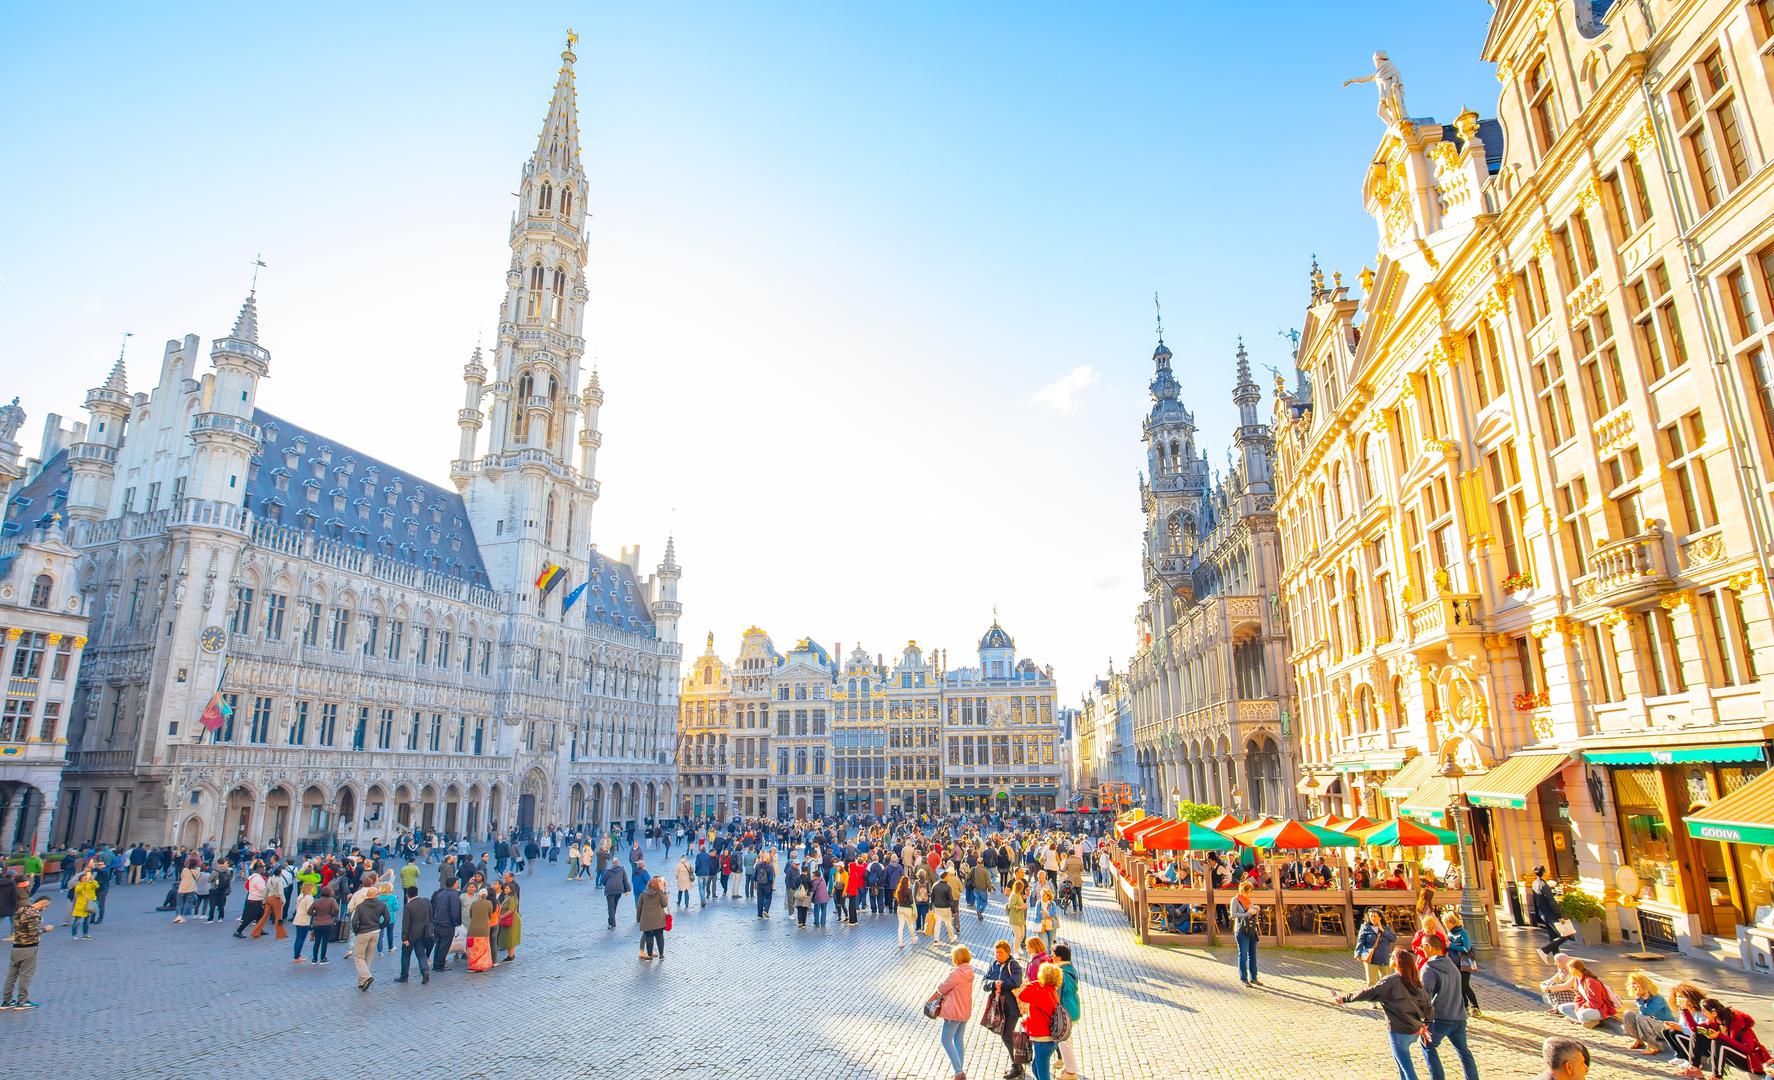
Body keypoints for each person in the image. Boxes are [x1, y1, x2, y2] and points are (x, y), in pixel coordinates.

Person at [1332, 950, 1433, 1080]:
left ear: (1397, 962)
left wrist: (1345, 998)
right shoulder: (1416, 981)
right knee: (1401, 1064)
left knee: (1407, 1068)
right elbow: (1428, 1007)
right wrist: (1425, 1025)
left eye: (1392, 956)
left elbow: (1369, 992)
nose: (1389, 957)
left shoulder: (1391, 981)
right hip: (1414, 1030)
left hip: (1399, 1032)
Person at [1418, 934, 1477, 1080]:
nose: (1421, 949)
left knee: (1427, 1045)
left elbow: (1425, 997)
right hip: (1459, 1016)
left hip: (1440, 1018)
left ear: (1429, 947)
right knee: (1464, 1052)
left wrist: (1423, 1021)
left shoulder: (1428, 969)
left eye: (1422, 946)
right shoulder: (1451, 963)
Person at [1692, 996, 1770, 1080]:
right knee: (1697, 1034)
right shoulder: (1716, 1021)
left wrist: (1720, 1036)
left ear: (1714, 1013)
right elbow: (1694, 1028)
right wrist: (1684, 1010)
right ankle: (1694, 1068)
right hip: (1734, 1055)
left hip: (1750, 1060)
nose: (1703, 1014)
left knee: (1718, 1042)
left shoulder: (1737, 1022)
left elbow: (1748, 1049)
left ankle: (1717, 1077)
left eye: (1704, 1011)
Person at [1, 884, 49, 1010]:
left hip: (16, 947)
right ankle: (22, 1001)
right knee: (25, 975)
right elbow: (33, 932)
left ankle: (6, 1001)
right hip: (28, 948)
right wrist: (45, 929)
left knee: (11, 975)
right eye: (47, 906)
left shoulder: (20, 911)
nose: (46, 908)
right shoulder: (34, 914)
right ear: (43, 903)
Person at [982, 939, 1025, 1079]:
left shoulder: (1013, 965)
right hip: (997, 1007)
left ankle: (1017, 1067)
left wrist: (1002, 984)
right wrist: (993, 984)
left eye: (1000, 952)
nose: (997, 955)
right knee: (1004, 1035)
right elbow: (984, 981)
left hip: (1011, 1008)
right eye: (996, 952)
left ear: (1008, 953)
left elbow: (1016, 981)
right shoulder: (993, 964)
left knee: (1007, 1035)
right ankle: (1018, 1063)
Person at [1016, 961, 1065, 1080]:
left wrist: (1034, 982)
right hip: (1049, 1039)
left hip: (1043, 1040)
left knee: (1043, 1076)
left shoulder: (1040, 991)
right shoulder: (1052, 991)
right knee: (1035, 1068)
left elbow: (1022, 995)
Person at [933, 945, 974, 1080]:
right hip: (964, 1011)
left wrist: (931, 998)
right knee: (958, 1039)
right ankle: (959, 1070)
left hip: (954, 1012)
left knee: (945, 1040)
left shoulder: (957, 973)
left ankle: (958, 1072)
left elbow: (943, 987)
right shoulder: (970, 971)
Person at [349, 873, 391, 991]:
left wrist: (357, 931)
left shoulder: (361, 906)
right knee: (368, 957)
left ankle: (367, 976)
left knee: (358, 957)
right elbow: (387, 918)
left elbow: (354, 921)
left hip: (363, 932)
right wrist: (381, 926)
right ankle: (362, 981)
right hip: (375, 931)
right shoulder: (382, 905)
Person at [1620, 971, 1675, 1054]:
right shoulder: (1642, 998)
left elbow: (1646, 1014)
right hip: (1651, 1025)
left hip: (1665, 1027)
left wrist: (1638, 999)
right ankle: (1639, 1040)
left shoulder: (1657, 998)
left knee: (1642, 1017)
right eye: (1632, 984)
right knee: (1628, 1013)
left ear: (1643, 985)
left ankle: (1653, 1046)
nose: (1633, 986)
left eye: (1635, 983)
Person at [1051, 942, 1083, 1080]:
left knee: (1064, 1042)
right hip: (1073, 1008)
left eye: (1053, 954)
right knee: (1066, 1040)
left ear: (1058, 958)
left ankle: (1071, 1072)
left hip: (1065, 1011)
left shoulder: (1060, 972)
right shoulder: (1071, 968)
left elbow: (1055, 996)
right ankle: (1068, 1067)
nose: (1051, 956)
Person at [1557, 959, 1618, 1028]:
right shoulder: (1577, 979)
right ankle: (1584, 1021)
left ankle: (1590, 1021)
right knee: (1562, 1008)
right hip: (1587, 1005)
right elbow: (1578, 996)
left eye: (1569, 968)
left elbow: (1597, 1003)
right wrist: (1578, 1007)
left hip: (1600, 1008)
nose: (1568, 970)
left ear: (1574, 969)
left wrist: (1582, 1007)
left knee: (1582, 1014)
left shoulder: (1590, 982)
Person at [1444, 911, 1480, 1017]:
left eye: (1447, 923)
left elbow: (1466, 948)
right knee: (1458, 986)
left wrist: (1451, 946)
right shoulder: (1449, 933)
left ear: (1453, 922)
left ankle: (1475, 1006)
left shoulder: (1463, 932)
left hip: (1464, 963)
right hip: (1453, 963)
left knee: (1465, 985)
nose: (1446, 926)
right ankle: (1464, 1006)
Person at [1530, 866, 1570, 959]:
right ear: (1544, 873)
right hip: (1550, 913)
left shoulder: (1534, 883)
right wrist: (1560, 915)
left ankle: (1557, 958)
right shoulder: (1543, 885)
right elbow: (1551, 901)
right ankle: (1545, 950)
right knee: (1565, 934)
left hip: (1542, 913)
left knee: (1553, 936)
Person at [396, 885, 432, 984]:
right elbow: (430, 916)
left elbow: (405, 924)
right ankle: (425, 971)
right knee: (421, 955)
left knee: (406, 956)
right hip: (423, 933)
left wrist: (404, 938)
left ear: (407, 895)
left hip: (411, 935)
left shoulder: (408, 906)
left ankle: (404, 976)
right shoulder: (426, 901)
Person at [1230, 880, 1261, 987]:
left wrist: (1256, 910)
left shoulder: (1249, 900)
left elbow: (1252, 915)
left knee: (1253, 954)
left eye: (1249, 892)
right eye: (1247, 892)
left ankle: (1254, 977)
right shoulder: (1235, 900)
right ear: (1242, 891)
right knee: (1242, 954)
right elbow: (1233, 914)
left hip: (1251, 929)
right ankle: (1244, 978)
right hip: (1241, 930)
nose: (1248, 894)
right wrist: (1247, 913)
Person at [1356, 907, 1398, 986]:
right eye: (1371, 916)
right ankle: (1372, 997)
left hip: (1384, 958)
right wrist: (1357, 953)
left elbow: (1393, 938)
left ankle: (1384, 997)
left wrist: (1382, 930)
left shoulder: (1386, 928)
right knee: (1371, 983)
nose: (1372, 918)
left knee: (1386, 982)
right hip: (1371, 959)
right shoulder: (1365, 927)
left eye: (1374, 916)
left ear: (1380, 917)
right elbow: (1360, 941)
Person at [429, 878, 462, 973]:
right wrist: (454, 922)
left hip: (437, 922)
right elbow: (454, 911)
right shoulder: (454, 895)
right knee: (444, 945)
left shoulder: (441, 893)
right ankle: (440, 965)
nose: (458, 884)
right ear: (453, 884)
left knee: (438, 944)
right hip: (447, 924)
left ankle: (436, 964)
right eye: (457, 883)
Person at [638, 875, 669, 960]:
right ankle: (661, 955)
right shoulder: (659, 893)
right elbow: (664, 904)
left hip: (646, 920)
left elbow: (639, 908)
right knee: (659, 937)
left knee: (649, 937)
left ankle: (650, 955)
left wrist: (638, 919)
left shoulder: (643, 894)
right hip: (658, 919)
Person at [465, 888, 495, 973]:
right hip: (484, 928)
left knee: (473, 948)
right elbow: (490, 915)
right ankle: (483, 965)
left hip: (473, 928)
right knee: (483, 948)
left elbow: (471, 915)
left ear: (479, 894)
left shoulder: (474, 903)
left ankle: (473, 966)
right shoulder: (489, 903)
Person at [308, 886, 338, 964]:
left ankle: (314, 959)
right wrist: (332, 914)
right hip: (327, 922)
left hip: (317, 923)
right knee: (325, 941)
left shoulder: (316, 901)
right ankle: (323, 958)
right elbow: (337, 909)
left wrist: (315, 914)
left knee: (317, 941)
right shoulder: (332, 901)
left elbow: (309, 911)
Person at [289, 880, 315, 963]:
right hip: (304, 919)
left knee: (298, 938)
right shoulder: (309, 898)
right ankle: (297, 957)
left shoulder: (300, 896)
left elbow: (297, 908)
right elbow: (309, 910)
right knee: (301, 939)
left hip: (298, 918)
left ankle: (296, 955)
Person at [67, 870, 96, 939]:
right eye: (84, 878)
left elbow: (96, 886)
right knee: (77, 921)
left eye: (86, 878)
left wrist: (92, 880)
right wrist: (84, 883)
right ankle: (74, 935)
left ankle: (85, 934)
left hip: (88, 906)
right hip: (80, 907)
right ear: (81, 880)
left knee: (86, 921)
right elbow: (78, 890)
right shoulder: (79, 885)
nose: (86, 879)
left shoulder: (90, 884)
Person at [601, 860, 629, 930]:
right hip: (619, 890)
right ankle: (612, 921)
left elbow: (603, 881)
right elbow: (625, 880)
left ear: (612, 864)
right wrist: (627, 889)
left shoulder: (607, 871)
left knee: (610, 907)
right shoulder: (622, 870)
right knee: (614, 905)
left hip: (610, 890)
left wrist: (607, 885)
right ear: (618, 863)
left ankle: (612, 923)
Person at [1032, 887, 1060, 953]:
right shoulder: (1038, 903)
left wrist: (1045, 913)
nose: (1041, 896)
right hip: (1041, 926)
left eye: (1044, 895)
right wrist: (1048, 915)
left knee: (1051, 946)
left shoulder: (1053, 904)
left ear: (1048, 896)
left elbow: (1053, 913)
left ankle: (1050, 959)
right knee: (1045, 944)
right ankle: (1046, 960)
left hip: (1052, 927)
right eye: (1041, 895)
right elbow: (1038, 914)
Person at [1007, 879, 1029, 955]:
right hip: (1014, 918)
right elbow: (1011, 905)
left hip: (1020, 918)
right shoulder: (1014, 895)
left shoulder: (1018, 895)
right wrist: (1021, 907)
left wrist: (1024, 906)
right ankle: (1015, 951)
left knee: (1022, 934)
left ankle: (1018, 946)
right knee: (1017, 935)